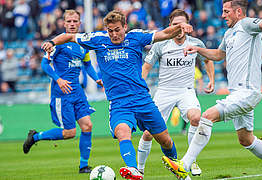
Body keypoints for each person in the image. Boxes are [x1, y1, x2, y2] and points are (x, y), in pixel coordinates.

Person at [41, 10, 193, 180]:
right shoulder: (98, 39)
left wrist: (180, 27)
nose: (114, 34)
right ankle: (133, 170)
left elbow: (165, 33)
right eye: (110, 30)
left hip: (142, 99)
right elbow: (69, 37)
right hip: (119, 103)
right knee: (122, 131)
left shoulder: (136, 37)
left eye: (117, 30)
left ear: (125, 27)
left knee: (165, 140)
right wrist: (51, 42)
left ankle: (179, 171)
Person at [161, 1, 262, 180]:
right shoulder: (230, 33)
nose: (222, 15)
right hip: (237, 94)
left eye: (226, 11)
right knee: (246, 139)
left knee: (206, 116)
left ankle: (184, 165)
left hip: (246, 92)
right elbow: (218, 55)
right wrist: (198, 49)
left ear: (238, 12)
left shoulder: (246, 24)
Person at [23, 10, 103, 174]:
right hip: (62, 93)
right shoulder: (57, 43)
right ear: (64, 23)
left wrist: (96, 79)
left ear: (79, 23)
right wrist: (58, 79)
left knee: (87, 126)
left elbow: (87, 65)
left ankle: (83, 166)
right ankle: (35, 137)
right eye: (69, 21)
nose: (72, 24)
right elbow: (45, 65)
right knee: (69, 133)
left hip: (78, 92)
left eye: (75, 21)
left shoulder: (82, 43)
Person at [137, 9, 215, 177]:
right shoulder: (160, 44)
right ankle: (139, 170)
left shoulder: (196, 43)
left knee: (196, 118)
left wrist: (211, 80)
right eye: (175, 25)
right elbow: (146, 67)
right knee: (149, 133)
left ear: (188, 26)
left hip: (186, 90)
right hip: (164, 91)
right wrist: (139, 85)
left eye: (182, 24)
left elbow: (207, 60)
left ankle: (190, 161)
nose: (179, 28)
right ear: (170, 26)